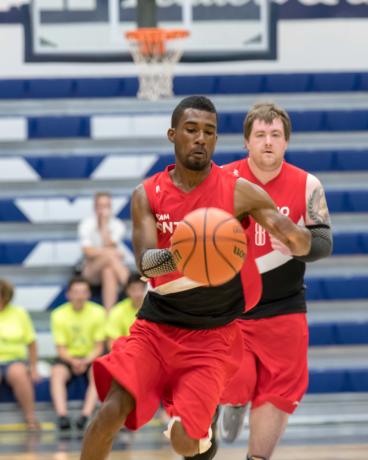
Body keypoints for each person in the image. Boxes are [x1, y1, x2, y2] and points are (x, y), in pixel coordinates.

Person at [79, 95, 311, 460]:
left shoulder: (240, 192)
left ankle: (202, 439)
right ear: (173, 135)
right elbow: (143, 264)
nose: (201, 138)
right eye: (191, 130)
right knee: (110, 410)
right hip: (156, 328)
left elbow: (296, 237)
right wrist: (188, 250)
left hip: (212, 338)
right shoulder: (148, 193)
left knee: (184, 443)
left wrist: (299, 238)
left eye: (209, 132)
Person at [218, 102, 333, 460]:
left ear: (285, 142)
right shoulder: (221, 179)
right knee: (234, 383)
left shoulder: (307, 184)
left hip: (284, 307)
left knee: (279, 391)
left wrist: (301, 244)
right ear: (247, 142)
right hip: (230, 308)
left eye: (275, 135)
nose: (268, 142)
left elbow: (324, 242)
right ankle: (234, 401)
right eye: (260, 135)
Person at [50, 276, 107, 431]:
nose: (80, 295)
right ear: (68, 294)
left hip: (91, 356)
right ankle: (62, 416)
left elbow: (99, 346)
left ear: (89, 294)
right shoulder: (58, 314)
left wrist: (85, 361)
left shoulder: (99, 312)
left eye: (83, 292)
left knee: (97, 373)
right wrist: (74, 361)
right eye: (76, 292)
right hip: (68, 357)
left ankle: (85, 416)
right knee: (57, 373)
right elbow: (60, 348)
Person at [0, 278, 41, 431]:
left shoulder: (19, 313)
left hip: (14, 360)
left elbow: (31, 342)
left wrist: (34, 367)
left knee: (19, 374)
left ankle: (30, 418)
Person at [78, 191, 130, 311]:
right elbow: (88, 252)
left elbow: (109, 245)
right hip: (90, 270)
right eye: (101, 206)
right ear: (95, 207)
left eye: (107, 206)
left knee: (108, 270)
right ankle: (130, 285)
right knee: (111, 256)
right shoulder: (86, 224)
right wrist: (112, 252)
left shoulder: (118, 225)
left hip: (110, 270)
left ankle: (108, 314)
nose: (104, 210)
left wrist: (104, 226)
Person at [106, 273, 146, 350]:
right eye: (133, 289)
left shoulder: (153, 309)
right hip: (125, 352)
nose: (138, 294)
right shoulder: (117, 310)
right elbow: (111, 342)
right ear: (127, 291)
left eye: (141, 289)